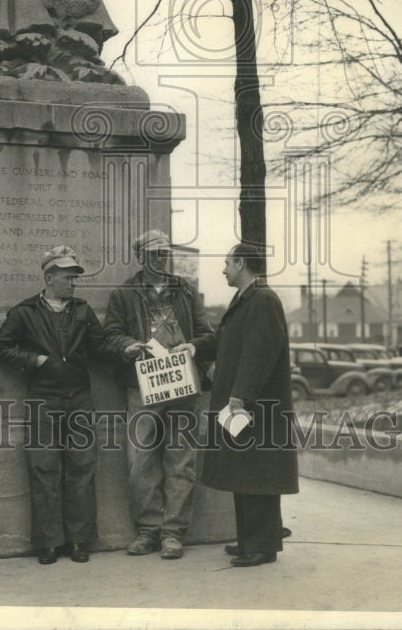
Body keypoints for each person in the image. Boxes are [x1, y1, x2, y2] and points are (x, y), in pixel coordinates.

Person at [0, 245, 144, 564]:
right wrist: (34, 360)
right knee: (43, 469)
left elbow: (100, 347)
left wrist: (123, 352)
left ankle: (79, 540)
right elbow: (0, 349)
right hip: (42, 401)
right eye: (67, 277)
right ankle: (47, 542)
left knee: (82, 469)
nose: (73, 283)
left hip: (79, 401)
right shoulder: (24, 312)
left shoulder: (83, 311)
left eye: (75, 277)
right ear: (49, 277)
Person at [176, 243, 298, 568]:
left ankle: (263, 546)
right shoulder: (247, 299)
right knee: (244, 475)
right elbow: (222, 342)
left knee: (259, 478)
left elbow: (259, 354)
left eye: (227, 263)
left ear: (242, 263)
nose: (224, 269)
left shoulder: (263, 300)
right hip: (243, 407)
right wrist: (194, 346)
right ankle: (248, 541)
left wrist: (240, 395)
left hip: (253, 408)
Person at [103, 229, 213, 560]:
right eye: (153, 254)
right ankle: (149, 530)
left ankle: (173, 533)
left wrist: (192, 347)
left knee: (181, 458)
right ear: (140, 257)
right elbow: (111, 334)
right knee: (140, 459)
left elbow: (206, 333)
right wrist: (128, 346)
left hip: (182, 383)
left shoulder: (186, 290)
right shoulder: (123, 294)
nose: (161, 259)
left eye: (164, 253)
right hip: (142, 384)